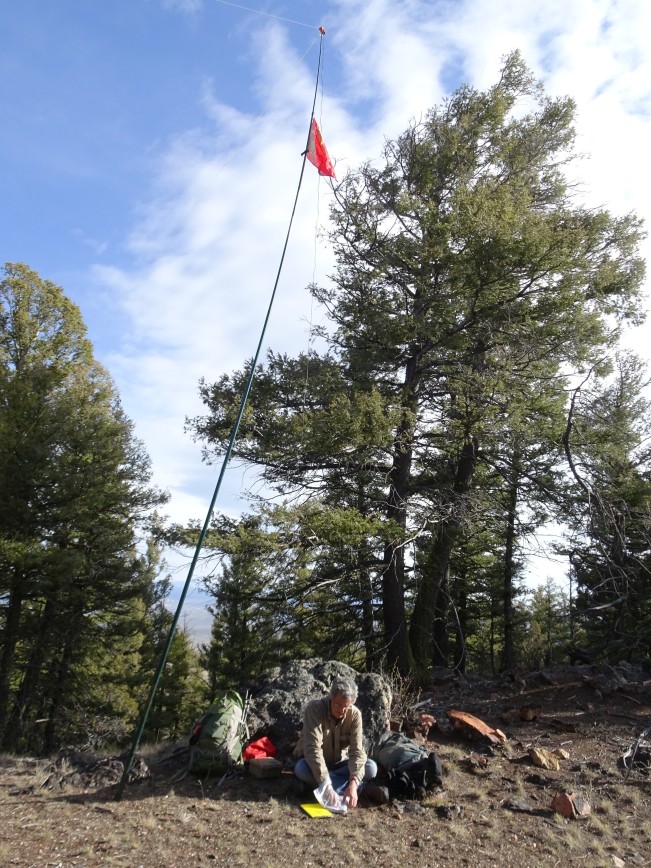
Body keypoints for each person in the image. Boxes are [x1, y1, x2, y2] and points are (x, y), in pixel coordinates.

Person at [293, 676, 386, 807]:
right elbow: (312, 748)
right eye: (338, 705)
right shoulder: (314, 709)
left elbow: (357, 751)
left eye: (346, 707)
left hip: (339, 765)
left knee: (371, 767)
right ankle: (358, 789)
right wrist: (325, 781)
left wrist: (353, 782)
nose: (341, 710)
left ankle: (321, 788)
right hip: (313, 764)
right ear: (331, 697)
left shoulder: (355, 715)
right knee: (301, 769)